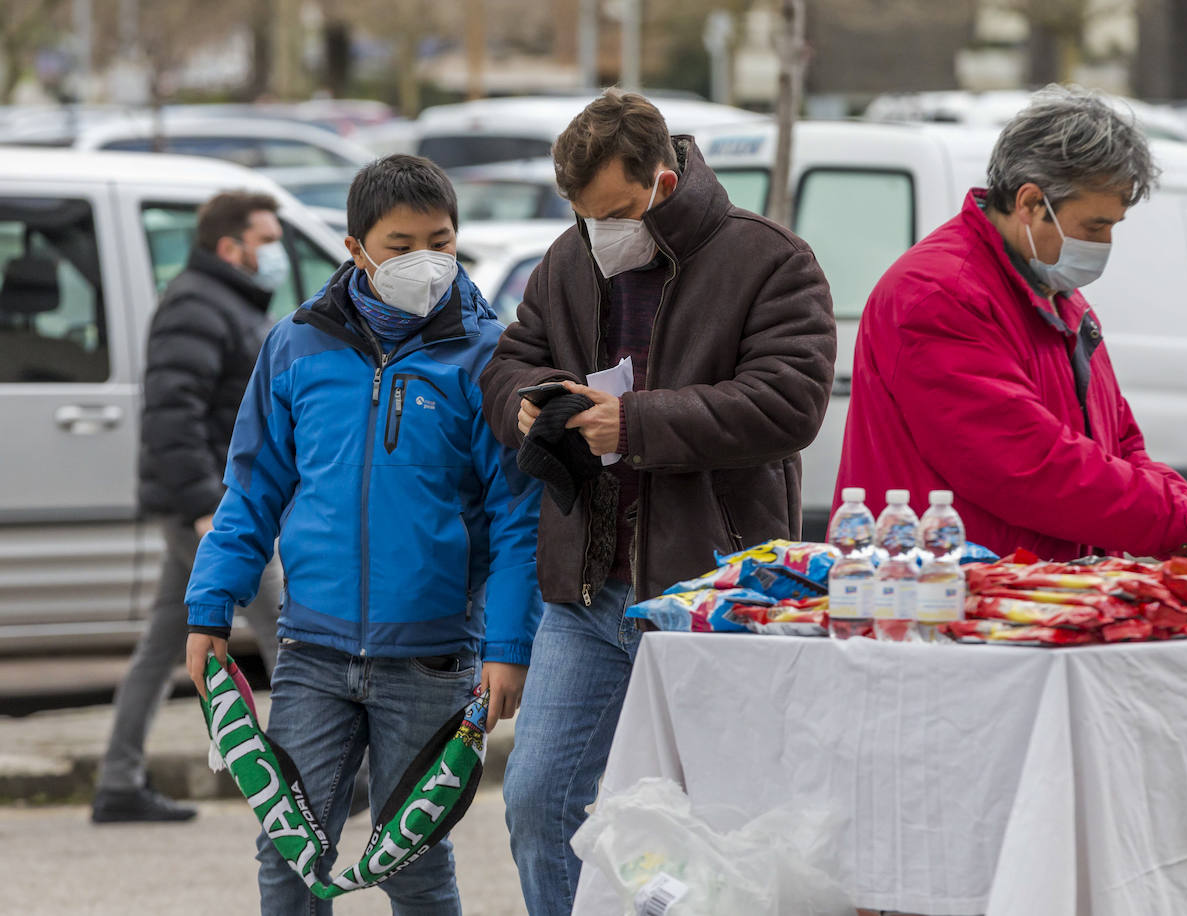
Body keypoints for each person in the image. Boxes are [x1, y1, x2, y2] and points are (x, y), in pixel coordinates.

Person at [479, 89, 836, 914]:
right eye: (581, 215)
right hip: (586, 591)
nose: (598, 233)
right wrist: (524, 403)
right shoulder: (569, 260)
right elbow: (507, 362)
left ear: (664, 185)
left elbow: (790, 403)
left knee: (717, 821)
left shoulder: (771, 260)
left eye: (613, 212)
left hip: (710, 598)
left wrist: (633, 425)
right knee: (536, 801)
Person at [183, 154, 542, 914]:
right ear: (355, 249)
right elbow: (251, 490)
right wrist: (208, 606)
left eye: (441, 242)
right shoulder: (296, 347)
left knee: (412, 860)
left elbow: (519, 516)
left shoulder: (487, 359)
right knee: (288, 854)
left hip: (436, 657)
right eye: (401, 245)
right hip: (312, 650)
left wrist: (510, 648)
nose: (426, 262)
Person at [835, 86, 1187, 565]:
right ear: (1030, 203)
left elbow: (1121, 447)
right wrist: (1179, 523)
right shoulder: (939, 294)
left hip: (1031, 592)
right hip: (942, 598)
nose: (1106, 243)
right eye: (1094, 227)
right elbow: (1025, 463)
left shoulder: (1056, 296)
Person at [92, 191, 288, 824]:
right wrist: (210, 508)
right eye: (268, 240)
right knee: (286, 628)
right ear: (231, 247)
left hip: (215, 503)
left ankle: (118, 780)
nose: (277, 253)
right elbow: (173, 415)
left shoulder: (221, 303)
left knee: (161, 643)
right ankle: (323, 770)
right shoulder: (198, 306)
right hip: (211, 509)